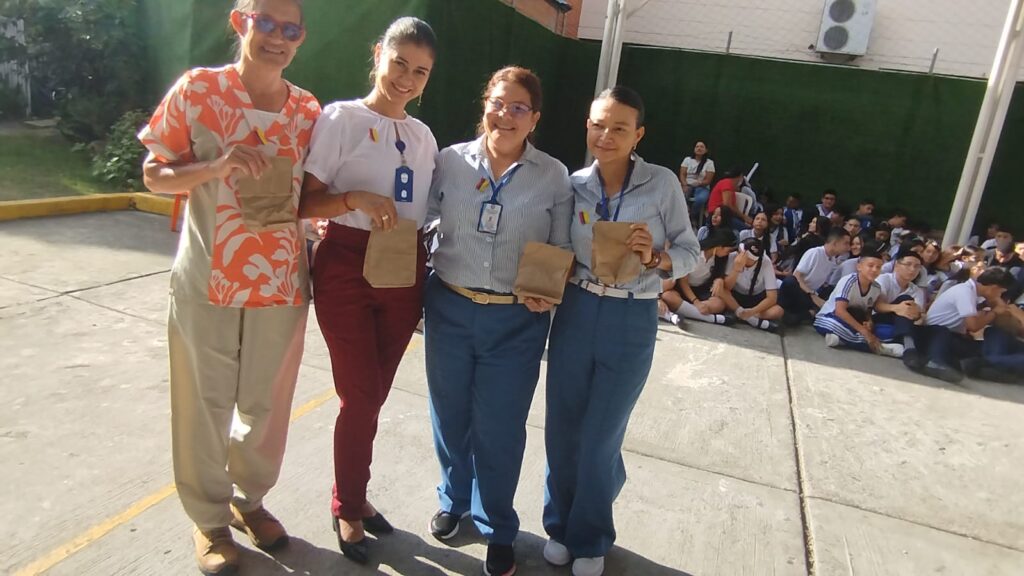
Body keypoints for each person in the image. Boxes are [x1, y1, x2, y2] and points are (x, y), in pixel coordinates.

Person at [139, 1, 319, 573]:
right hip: (209, 278)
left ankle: (250, 500)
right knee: (203, 404)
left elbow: (312, 190)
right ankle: (210, 521)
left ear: (301, 38)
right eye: (266, 23)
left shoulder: (307, 110)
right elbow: (154, 172)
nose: (277, 38)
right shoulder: (199, 90)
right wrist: (215, 167)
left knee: (267, 406)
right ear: (241, 22)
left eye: (290, 29)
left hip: (281, 282)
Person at [422, 66, 572, 576]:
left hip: (516, 319)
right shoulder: (449, 161)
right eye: (497, 103)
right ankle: (454, 499)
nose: (505, 116)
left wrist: (546, 289)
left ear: (534, 119)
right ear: (484, 104)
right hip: (450, 305)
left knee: (500, 428)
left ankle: (498, 526)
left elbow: (562, 244)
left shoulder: (552, 175)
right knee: (449, 415)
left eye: (518, 108)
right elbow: (422, 216)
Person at [543, 86, 699, 576]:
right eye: (598, 125)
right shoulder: (573, 185)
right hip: (577, 309)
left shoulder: (661, 184)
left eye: (619, 128)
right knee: (562, 430)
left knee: (600, 437)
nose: (605, 136)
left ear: (638, 135)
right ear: (586, 126)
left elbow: (691, 253)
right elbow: (557, 249)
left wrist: (656, 257)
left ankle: (590, 537)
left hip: (631, 317)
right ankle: (559, 526)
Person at [298, 16, 438, 564]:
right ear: (379, 53)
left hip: (403, 269)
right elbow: (305, 202)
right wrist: (354, 198)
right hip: (346, 267)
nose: (406, 78)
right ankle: (349, 505)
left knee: (373, 394)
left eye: (420, 71)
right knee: (359, 394)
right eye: (399, 62)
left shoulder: (423, 137)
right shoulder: (342, 119)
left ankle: (354, 491)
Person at [906, 268, 1018, 383]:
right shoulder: (964, 292)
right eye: (1000, 292)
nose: (999, 295)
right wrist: (994, 313)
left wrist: (991, 305)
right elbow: (973, 326)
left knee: (987, 346)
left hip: (953, 337)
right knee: (952, 339)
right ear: (994, 287)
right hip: (936, 335)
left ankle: (985, 367)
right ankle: (936, 362)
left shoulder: (973, 293)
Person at [812, 243, 903, 356]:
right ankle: (878, 347)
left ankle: (841, 340)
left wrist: (869, 322)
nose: (874, 270)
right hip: (831, 317)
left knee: (889, 332)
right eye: (870, 266)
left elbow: (868, 310)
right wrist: (864, 332)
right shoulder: (849, 281)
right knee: (835, 325)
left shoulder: (876, 288)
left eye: (878, 267)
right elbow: (840, 311)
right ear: (859, 266)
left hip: (854, 322)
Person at [659, 227, 736, 326]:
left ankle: (687, 310)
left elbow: (719, 275)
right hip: (682, 289)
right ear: (719, 246)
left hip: (701, 290)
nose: (728, 253)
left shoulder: (720, 259)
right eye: (728, 250)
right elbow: (683, 282)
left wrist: (719, 279)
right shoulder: (694, 253)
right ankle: (712, 319)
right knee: (668, 296)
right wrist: (696, 302)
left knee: (719, 303)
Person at [779, 228, 850, 325]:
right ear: (835, 243)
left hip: (811, 294)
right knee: (790, 282)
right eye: (846, 243)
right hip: (801, 291)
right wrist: (812, 295)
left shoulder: (832, 260)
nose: (848, 248)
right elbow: (797, 276)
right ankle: (806, 314)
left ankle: (807, 314)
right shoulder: (815, 253)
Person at [720, 237, 783, 331]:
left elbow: (772, 297)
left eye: (742, 253)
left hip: (756, 297)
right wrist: (736, 269)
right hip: (735, 295)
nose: (739, 254)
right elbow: (727, 287)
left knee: (778, 311)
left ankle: (746, 316)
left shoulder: (766, 262)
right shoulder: (733, 256)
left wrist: (753, 311)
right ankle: (747, 317)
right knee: (720, 289)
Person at [873, 248, 926, 349]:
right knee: (906, 299)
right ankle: (909, 346)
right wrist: (898, 308)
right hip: (879, 318)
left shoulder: (917, 290)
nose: (912, 269)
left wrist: (916, 315)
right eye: (908, 264)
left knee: (938, 329)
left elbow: (918, 314)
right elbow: (877, 306)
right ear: (897, 265)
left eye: (917, 266)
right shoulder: (884, 279)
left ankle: (905, 343)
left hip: (904, 323)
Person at [678, 140, 715, 223]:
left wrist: (699, 183)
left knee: (701, 199)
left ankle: (692, 216)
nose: (699, 148)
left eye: (702, 147)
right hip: (687, 185)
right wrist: (684, 185)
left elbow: (708, 180)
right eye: (697, 147)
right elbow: (682, 174)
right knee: (681, 197)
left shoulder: (709, 163)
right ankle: (683, 216)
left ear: (706, 150)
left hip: (702, 187)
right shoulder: (687, 160)